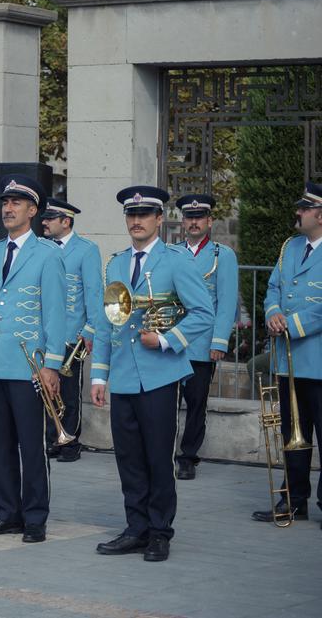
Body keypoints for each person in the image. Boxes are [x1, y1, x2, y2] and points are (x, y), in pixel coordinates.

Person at [90, 185, 212, 562]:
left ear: (159, 219)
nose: (136, 221)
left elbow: (203, 314)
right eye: (131, 215)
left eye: (144, 215)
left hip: (160, 375)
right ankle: (136, 528)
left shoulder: (176, 261)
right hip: (125, 376)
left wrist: (165, 340)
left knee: (158, 457)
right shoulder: (115, 263)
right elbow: (105, 321)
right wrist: (98, 375)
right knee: (128, 458)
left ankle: (160, 532)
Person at [0, 176, 66, 544]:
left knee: (31, 444)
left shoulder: (49, 254)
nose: (7, 208)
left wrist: (52, 364)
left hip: (29, 366)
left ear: (33, 210)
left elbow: (56, 314)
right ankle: (5, 513)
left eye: (16, 203)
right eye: (5, 202)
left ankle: (35, 517)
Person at [252, 182, 322, 526]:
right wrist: (273, 313)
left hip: (318, 361)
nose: (298, 212)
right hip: (289, 362)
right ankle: (293, 500)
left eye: (304, 209)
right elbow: (273, 288)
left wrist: (290, 323)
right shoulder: (289, 247)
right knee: (293, 436)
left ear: (320, 215)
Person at [173, 193, 238, 480]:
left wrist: (219, 341)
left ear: (209, 221)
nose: (194, 222)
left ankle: (188, 456)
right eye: (189, 217)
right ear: (183, 221)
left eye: (199, 217)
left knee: (197, 403)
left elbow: (226, 302)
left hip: (201, 342)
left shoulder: (222, 255)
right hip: (172, 341)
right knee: (165, 403)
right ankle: (164, 451)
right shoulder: (171, 252)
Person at [39, 197, 103, 463]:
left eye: (50, 218)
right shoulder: (41, 248)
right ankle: (53, 437)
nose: (43, 222)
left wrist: (89, 330)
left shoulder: (86, 250)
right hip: (44, 334)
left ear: (66, 221)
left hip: (71, 335)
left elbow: (94, 294)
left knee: (67, 392)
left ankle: (70, 442)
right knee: (45, 391)